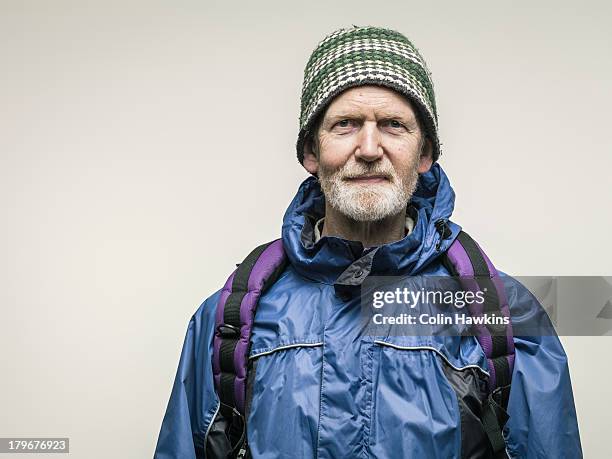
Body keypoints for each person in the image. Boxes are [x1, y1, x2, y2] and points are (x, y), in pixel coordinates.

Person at [154, 26, 582, 458]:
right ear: (311, 152)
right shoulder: (226, 320)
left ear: (425, 154)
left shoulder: (506, 314)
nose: (370, 147)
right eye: (345, 124)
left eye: (394, 125)